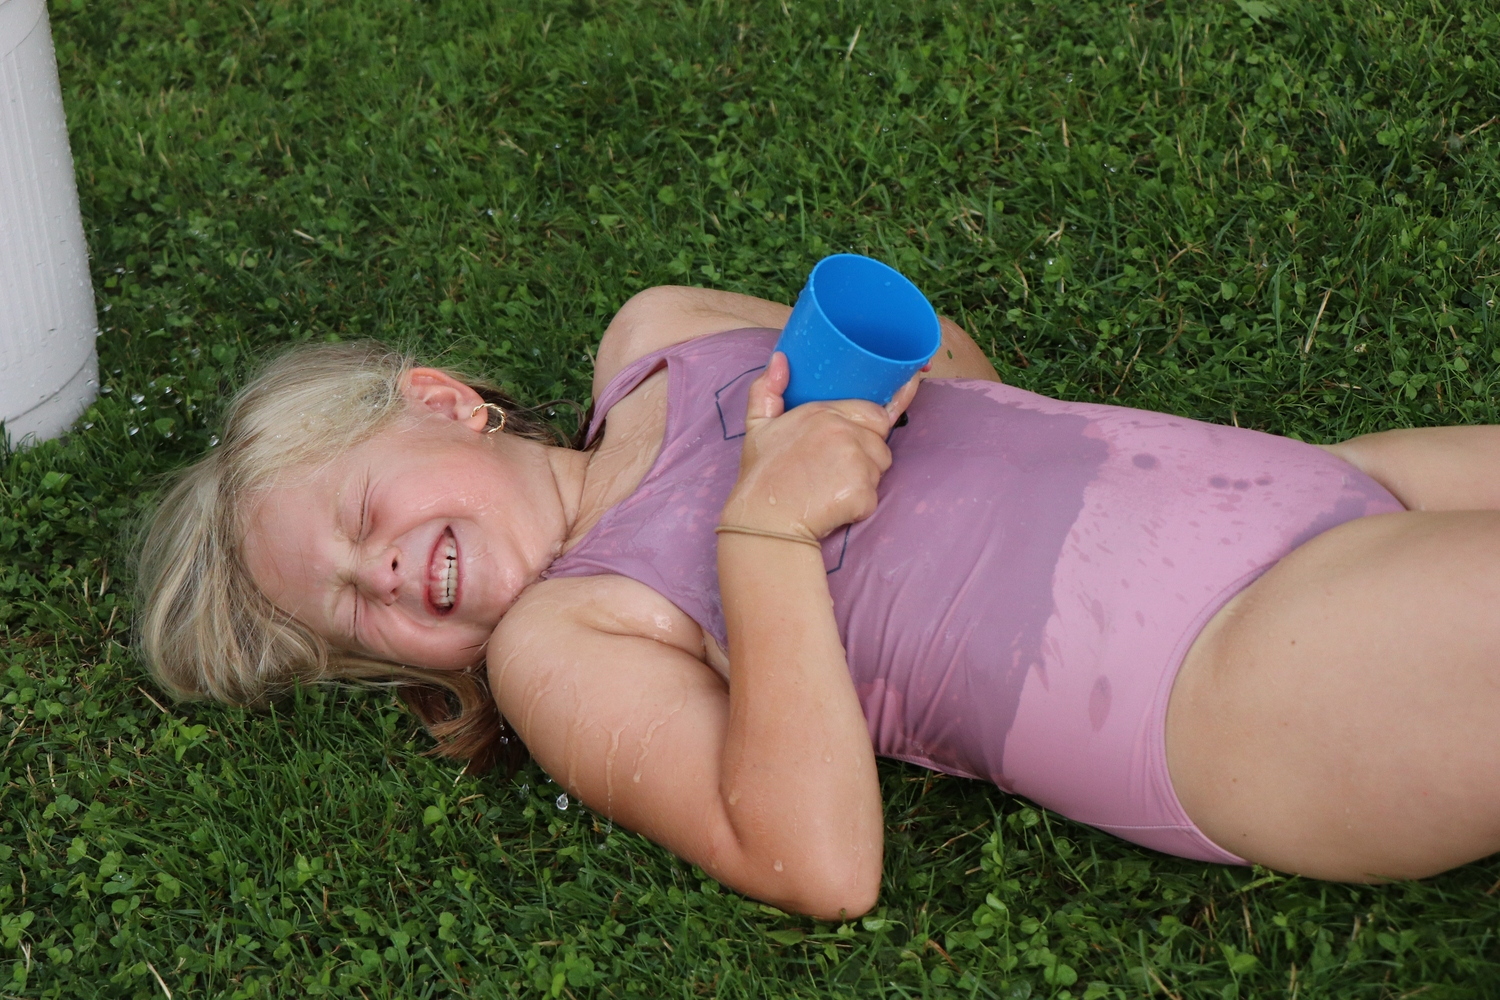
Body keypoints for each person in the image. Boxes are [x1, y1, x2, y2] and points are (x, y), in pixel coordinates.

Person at [136, 285, 1500, 920]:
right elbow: (817, 864)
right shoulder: (567, 638)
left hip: (1311, 484)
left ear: (443, 403)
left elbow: (960, 373)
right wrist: (767, 530)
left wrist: (880, 374)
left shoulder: (660, 337)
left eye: (358, 520)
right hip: (1221, 675)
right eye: (350, 611)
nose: (378, 572)